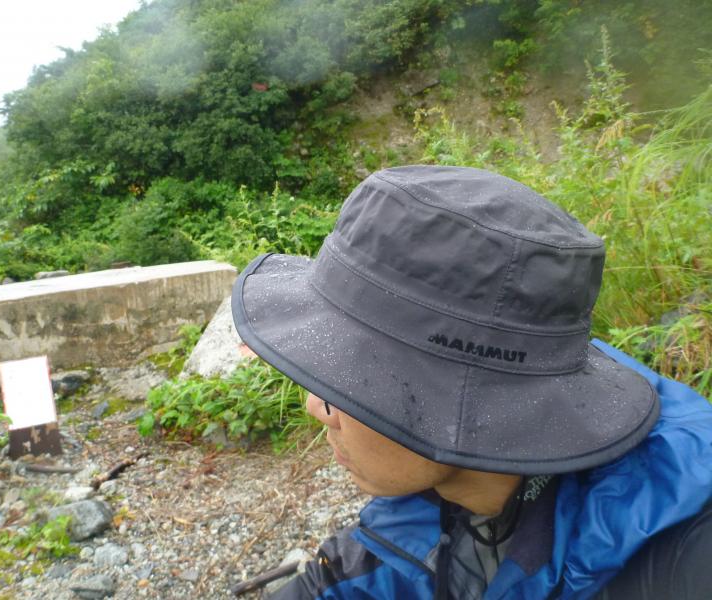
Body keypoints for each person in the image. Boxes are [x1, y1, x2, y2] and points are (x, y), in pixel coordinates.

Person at [231, 166, 712, 599]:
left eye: (357, 377)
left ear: (468, 397)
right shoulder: (435, 494)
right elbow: (346, 578)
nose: (316, 406)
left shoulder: (682, 561)